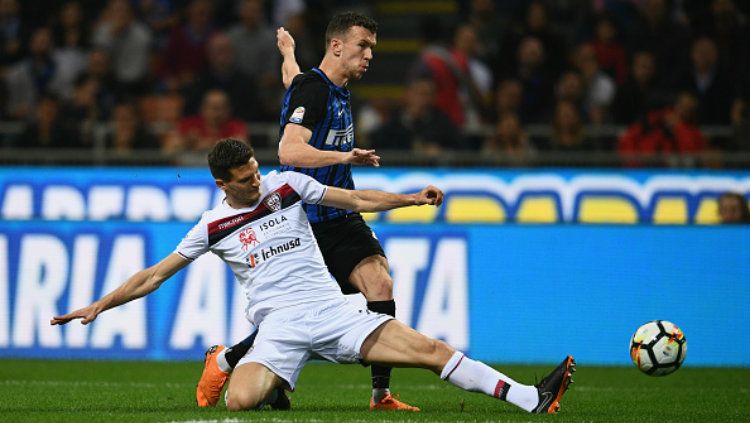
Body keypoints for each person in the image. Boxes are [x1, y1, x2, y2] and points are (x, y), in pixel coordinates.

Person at [51, 139, 576, 415]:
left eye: (257, 170)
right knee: (240, 403)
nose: (257, 180)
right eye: (245, 178)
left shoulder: (286, 185)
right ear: (221, 183)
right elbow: (153, 275)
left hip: (334, 311)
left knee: (429, 351)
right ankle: (256, 377)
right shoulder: (212, 226)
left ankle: (531, 397)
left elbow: (356, 199)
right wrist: (99, 305)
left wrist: (410, 198)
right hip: (277, 326)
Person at [196, 12, 419, 412]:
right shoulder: (315, 91)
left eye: (372, 48)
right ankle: (227, 360)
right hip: (303, 222)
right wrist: (345, 155)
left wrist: (287, 51)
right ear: (336, 46)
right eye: (362, 46)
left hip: (340, 215)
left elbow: (292, 81)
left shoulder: (324, 88)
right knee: (296, 317)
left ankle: (380, 395)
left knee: (380, 286)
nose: (369, 56)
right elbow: (288, 151)